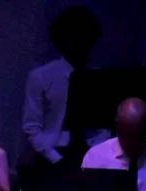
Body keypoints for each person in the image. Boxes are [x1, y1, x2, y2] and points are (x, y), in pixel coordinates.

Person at [21, 5, 105, 166]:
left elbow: (103, 125)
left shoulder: (98, 77)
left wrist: (95, 154)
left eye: (84, 36)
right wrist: (55, 158)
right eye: (73, 36)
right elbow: (31, 126)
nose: (78, 42)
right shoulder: (41, 76)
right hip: (51, 155)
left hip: (89, 153)